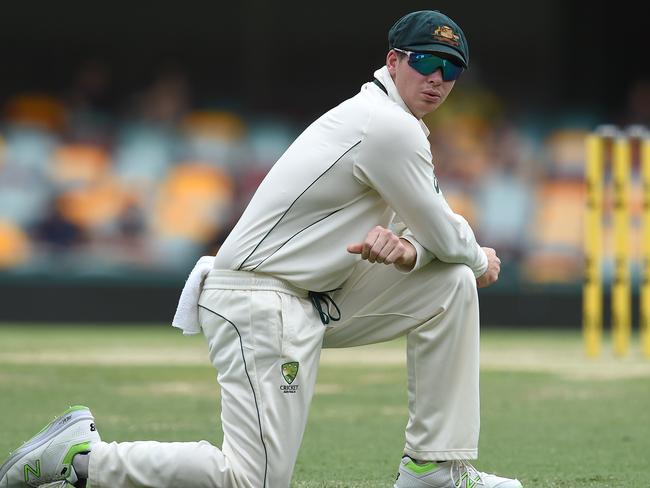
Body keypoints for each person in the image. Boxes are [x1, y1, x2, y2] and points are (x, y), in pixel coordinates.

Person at [0, 10, 523, 488]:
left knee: (447, 286)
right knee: (253, 481)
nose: (437, 78)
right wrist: (480, 258)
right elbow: (443, 229)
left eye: (450, 70)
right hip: (258, 296)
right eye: (427, 61)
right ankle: (83, 456)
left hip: (313, 295)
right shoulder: (388, 126)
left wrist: (415, 251)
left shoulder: (387, 121)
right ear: (393, 61)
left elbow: (427, 232)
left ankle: (434, 470)